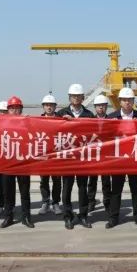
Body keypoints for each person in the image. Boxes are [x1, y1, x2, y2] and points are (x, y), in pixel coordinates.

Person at [107, 87, 137, 228]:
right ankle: (113, 217)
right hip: (118, 159)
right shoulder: (112, 117)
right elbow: (104, 136)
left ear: (133, 101)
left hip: (135, 159)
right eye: (124, 100)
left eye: (130, 100)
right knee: (116, 190)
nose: (127, 102)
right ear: (120, 101)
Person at [56, 84, 95, 229]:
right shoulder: (61, 114)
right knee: (66, 188)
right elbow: (54, 132)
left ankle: (83, 215)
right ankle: (67, 216)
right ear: (69, 98)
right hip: (67, 158)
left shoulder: (89, 115)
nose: (76, 98)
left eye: (78, 96)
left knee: (83, 188)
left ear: (83, 98)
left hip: (83, 158)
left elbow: (94, 133)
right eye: (73, 96)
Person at [0, 96, 35, 228]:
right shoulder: (2, 123)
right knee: (8, 192)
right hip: (7, 162)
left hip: (23, 162)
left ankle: (26, 217)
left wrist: (29, 122)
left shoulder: (26, 122)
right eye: (12, 108)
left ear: (21, 109)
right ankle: (8, 216)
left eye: (17, 108)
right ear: (8, 110)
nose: (15, 111)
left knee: (25, 191)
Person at [38, 94, 63, 215]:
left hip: (56, 155)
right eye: (47, 105)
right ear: (43, 107)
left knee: (57, 180)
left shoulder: (61, 120)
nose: (49, 107)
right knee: (44, 180)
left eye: (51, 105)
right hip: (43, 155)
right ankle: (45, 202)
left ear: (55, 107)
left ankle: (56, 203)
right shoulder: (37, 120)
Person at [87, 94, 112, 213]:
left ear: (106, 106)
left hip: (106, 154)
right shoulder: (90, 121)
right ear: (95, 107)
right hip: (93, 154)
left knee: (106, 181)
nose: (101, 107)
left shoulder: (112, 120)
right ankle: (91, 201)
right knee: (92, 180)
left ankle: (107, 202)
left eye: (103, 105)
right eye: (98, 106)